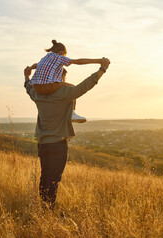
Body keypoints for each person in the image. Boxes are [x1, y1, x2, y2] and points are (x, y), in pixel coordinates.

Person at [24, 57, 111, 210]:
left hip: (43, 143)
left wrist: (27, 76)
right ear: (59, 77)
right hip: (58, 144)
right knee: (53, 180)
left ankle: (44, 206)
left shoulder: (38, 94)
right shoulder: (64, 93)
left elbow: (28, 88)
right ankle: (48, 210)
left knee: (45, 177)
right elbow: (85, 86)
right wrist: (102, 69)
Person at [27, 39, 104, 123]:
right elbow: (78, 61)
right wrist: (99, 61)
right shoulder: (59, 57)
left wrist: (29, 69)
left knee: (59, 85)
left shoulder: (45, 58)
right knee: (71, 86)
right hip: (47, 86)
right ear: (61, 52)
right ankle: (72, 113)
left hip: (36, 88)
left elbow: (35, 65)